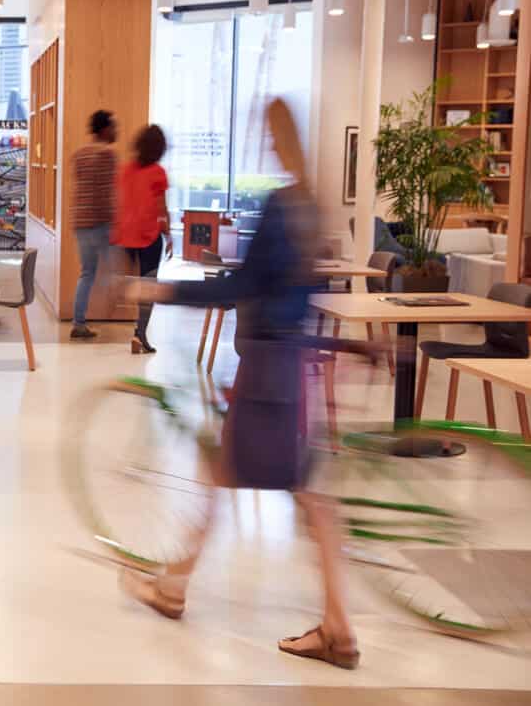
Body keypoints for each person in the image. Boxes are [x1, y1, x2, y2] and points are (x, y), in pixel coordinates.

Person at [117, 98, 359, 670]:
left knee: (283, 491)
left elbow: (244, 286)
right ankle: (180, 589)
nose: (264, 144)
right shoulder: (312, 207)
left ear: (277, 139)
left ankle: (334, 628)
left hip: (267, 369)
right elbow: (288, 290)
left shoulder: (281, 205)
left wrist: (162, 290)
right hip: (286, 364)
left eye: (266, 135)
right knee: (264, 483)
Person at [116, 125, 173, 354]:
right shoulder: (158, 172)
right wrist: (168, 233)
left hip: (125, 236)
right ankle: (140, 334)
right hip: (149, 237)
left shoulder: (126, 170)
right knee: (148, 287)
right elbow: (161, 207)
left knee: (131, 284)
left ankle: (137, 333)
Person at [69, 109, 119, 340]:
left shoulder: (79, 154)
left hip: (80, 220)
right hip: (100, 221)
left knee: (87, 273)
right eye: (114, 126)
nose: (117, 130)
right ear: (105, 129)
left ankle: (79, 322)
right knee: (113, 269)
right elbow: (106, 192)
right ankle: (122, 313)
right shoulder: (108, 154)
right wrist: (116, 220)